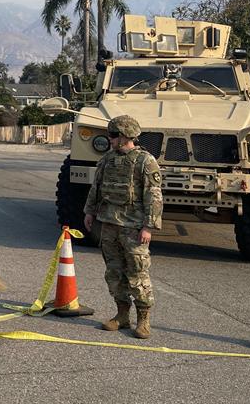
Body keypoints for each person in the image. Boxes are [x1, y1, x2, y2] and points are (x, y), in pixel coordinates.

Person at [83, 115, 163, 339]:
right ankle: (122, 315)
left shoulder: (145, 162)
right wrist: (89, 212)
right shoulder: (107, 159)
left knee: (138, 272)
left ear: (126, 135)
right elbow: (96, 188)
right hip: (109, 224)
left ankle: (143, 320)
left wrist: (148, 226)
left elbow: (154, 196)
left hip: (133, 226)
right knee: (114, 272)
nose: (109, 139)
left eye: (113, 135)